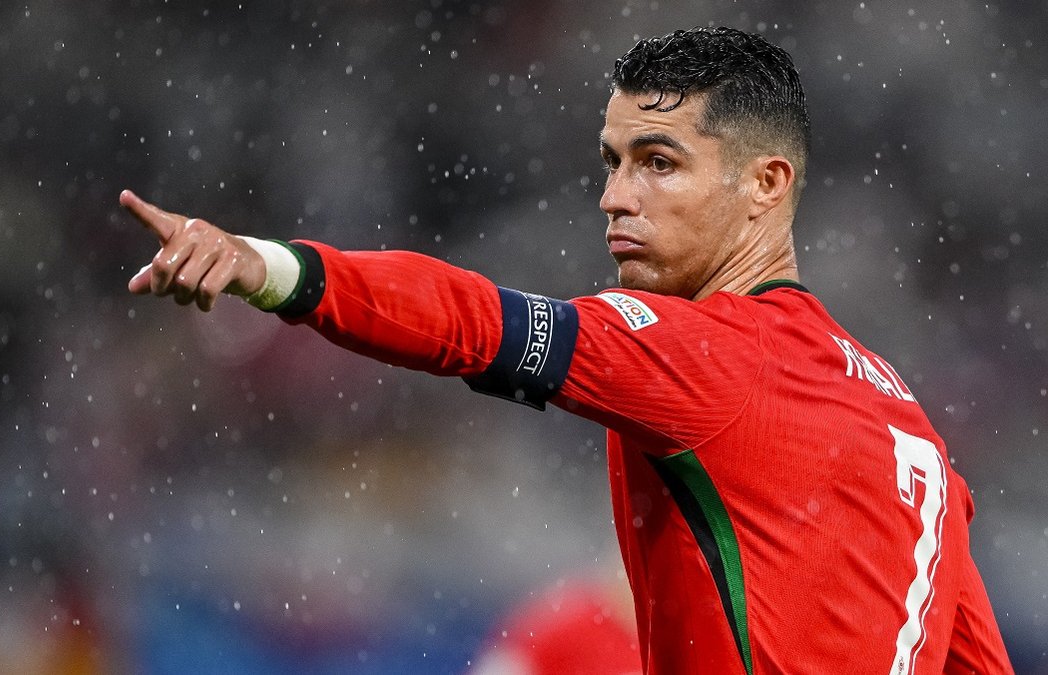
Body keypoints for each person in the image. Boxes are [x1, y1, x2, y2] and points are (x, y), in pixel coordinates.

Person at [121, 26, 1013, 674]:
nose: (615, 197)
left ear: (764, 185)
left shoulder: (704, 358)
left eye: (657, 163)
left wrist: (268, 268)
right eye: (611, 162)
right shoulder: (911, 431)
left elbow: (471, 320)